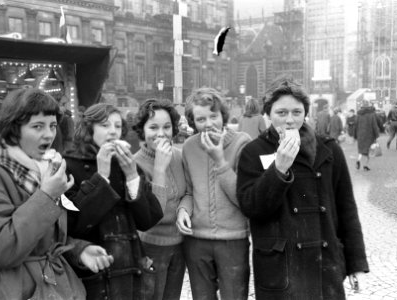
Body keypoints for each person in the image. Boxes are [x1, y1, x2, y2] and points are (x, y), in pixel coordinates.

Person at [0, 88, 113, 299]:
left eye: (52, 125)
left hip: (49, 285)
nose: (49, 134)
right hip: (8, 290)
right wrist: (48, 196)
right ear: (14, 129)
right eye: (37, 126)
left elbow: (47, 240)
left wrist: (78, 250)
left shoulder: (44, 168)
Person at [236, 77, 369, 299]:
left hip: (324, 262)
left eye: (297, 112)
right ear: (268, 114)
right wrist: (278, 170)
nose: (290, 120)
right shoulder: (253, 151)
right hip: (281, 266)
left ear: (305, 113)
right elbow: (251, 207)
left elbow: (346, 208)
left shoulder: (329, 150)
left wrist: (355, 262)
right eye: (281, 113)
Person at [64, 103, 163, 300]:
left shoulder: (127, 164)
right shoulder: (69, 165)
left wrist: (132, 175)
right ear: (89, 128)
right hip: (93, 274)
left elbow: (148, 220)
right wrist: (101, 176)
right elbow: (74, 225)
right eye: (105, 125)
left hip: (130, 270)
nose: (112, 132)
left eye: (117, 126)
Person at [176, 88, 251, 300]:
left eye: (213, 116)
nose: (208, 123)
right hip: (197, 241)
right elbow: (190, 192)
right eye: (201, 119)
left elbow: (244, 199)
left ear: (223, 116)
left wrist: (220, 161)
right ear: (192, 122)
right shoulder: (189, 147)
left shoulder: (241, 143)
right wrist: (183, 210)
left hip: (232, 239)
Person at [133, 99, 186, 300]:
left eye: (167, 127)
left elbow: (187, 194)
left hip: (178, 245)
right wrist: (159, 169)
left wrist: (184, 210)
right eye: (153, 127)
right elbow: (152, 213)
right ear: (142, 130)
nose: (161, 133)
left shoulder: (179, 156)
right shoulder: (135, 164)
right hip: (150, 246)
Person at [354, 100, 380, 171]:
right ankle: (365, 166)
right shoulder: (371, 115)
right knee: (368, 151)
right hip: (369, 135)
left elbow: (355, 126)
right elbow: (374, 126)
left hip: (360, 135)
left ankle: (358, 160)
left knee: (361, 150)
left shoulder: (358, 115)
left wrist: (355, 136)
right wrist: (377, 135)